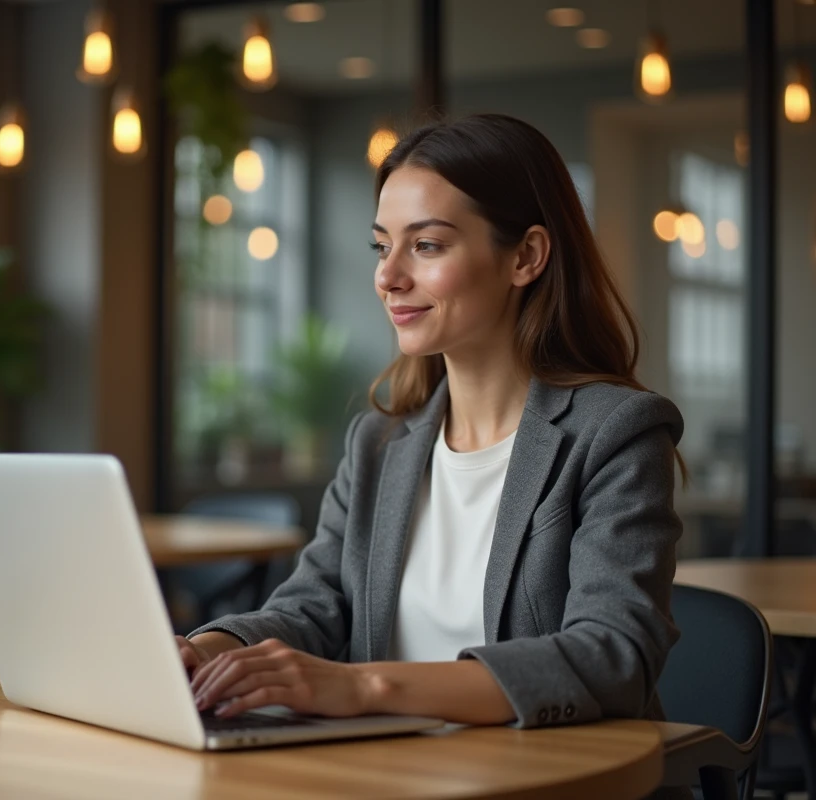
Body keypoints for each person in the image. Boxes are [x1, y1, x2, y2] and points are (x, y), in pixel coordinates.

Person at [179, 114, 684, 730]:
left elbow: (612, 656)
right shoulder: (378, 443)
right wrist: (203, 653)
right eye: (381, 245)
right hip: (393, 777)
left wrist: (364, 685)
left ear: (526, 256)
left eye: (426, 245)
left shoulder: (616, 433)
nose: (388, 277)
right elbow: (315, 607)